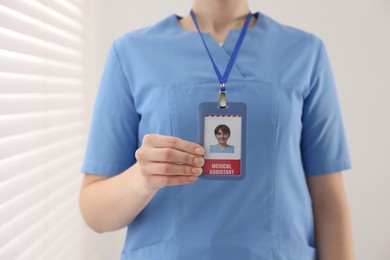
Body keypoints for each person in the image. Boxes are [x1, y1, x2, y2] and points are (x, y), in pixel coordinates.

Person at [79, 0, 355, 259]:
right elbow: (95, 212)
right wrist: (142, 178)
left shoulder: (305, 53)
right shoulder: (131, 53)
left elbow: (328, 201)